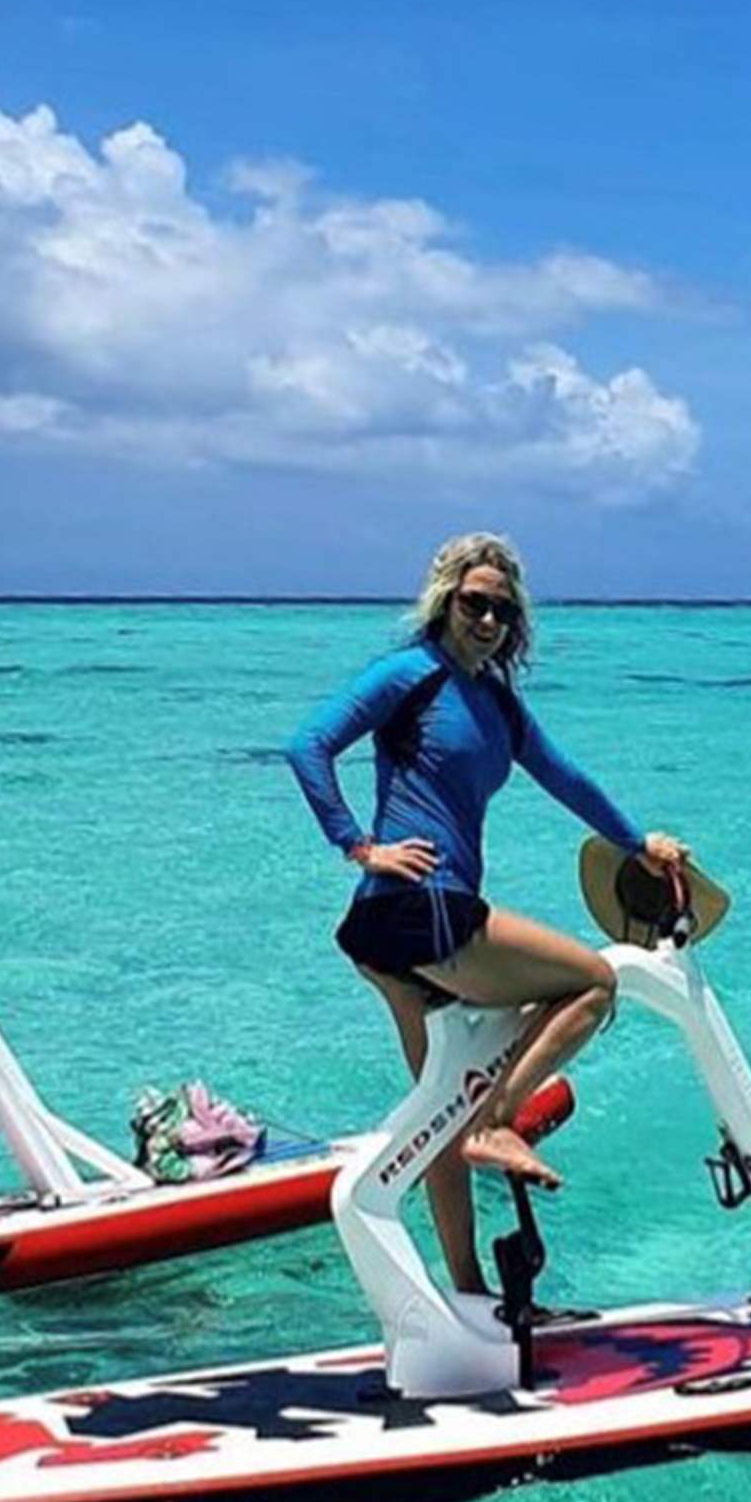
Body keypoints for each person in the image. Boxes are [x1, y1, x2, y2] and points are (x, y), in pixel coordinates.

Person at [285, 531, 692, 1295]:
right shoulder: (409, 674)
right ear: (444, 602)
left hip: (388, 936)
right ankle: (495, 1120)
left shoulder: (498, 705)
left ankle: (468, 1296)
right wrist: (358, 846)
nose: (488, 621)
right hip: (421, 911)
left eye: (502, 610)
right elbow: (307, 746)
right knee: (592, 983)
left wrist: (638, 843)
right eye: (474, 604)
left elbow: (567, 779)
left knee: (437, 1109)